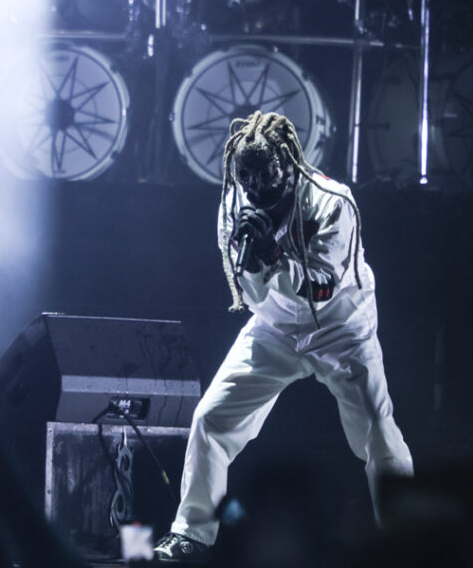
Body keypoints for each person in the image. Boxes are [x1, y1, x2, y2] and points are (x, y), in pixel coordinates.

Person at [154, 111, 414, 561]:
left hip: (341, 327)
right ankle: (192, 534)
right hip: (274, 327)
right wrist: (255, 262)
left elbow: (323, 288)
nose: (257, 192)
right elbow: (249, 292)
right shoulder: (234, 203)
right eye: (248, 182)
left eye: (267, 181)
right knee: (210, 419)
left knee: (377, 431)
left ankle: (408, 540)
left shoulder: (333, 201)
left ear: (290, 165)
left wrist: (274, 254)